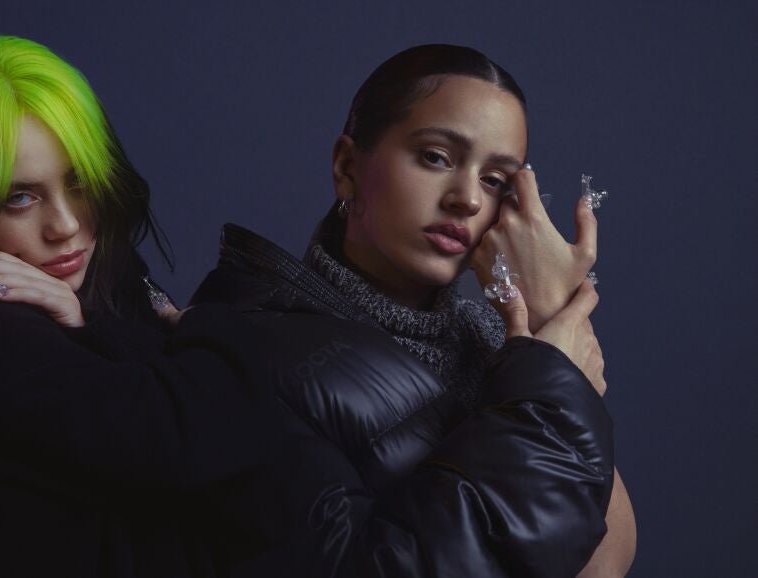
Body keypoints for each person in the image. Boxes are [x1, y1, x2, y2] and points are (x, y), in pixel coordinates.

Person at [0, 33, 335, 577]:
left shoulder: (105, 285)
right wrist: (197, 326)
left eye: (80, 181)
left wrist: (86, 324)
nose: (65, 226)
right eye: (20, 197)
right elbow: (199, 438)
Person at [192, 44, 636, 577]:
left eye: (495, 180)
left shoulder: (494, 340)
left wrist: (549, 321)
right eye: (435, 157)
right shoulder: (250, 348)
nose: (467, 199)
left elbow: (603, 565)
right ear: (347, 167)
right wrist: (552, 387)